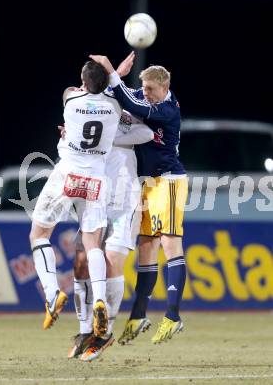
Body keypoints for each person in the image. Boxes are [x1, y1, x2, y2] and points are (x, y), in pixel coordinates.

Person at [90, 52, 188, 345]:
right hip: (144, 184)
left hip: (168, 180)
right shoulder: (145, 96)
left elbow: (130, 103)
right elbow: (115, 95)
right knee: (146, 249)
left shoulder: (168, 109)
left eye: (150, 90)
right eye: (143, 88)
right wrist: (115, 76)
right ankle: (138, 316)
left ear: (164, 86)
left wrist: (112, 71)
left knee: (170, 243)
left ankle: (173, 317)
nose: (145, 93)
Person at [29, 60, 122, 337]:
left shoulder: (70, 98)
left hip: (68, 173)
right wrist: (115, 76)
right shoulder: (115, 106)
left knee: (39, 234)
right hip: (96, 177)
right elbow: (109, 92)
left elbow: (79, 91)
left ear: (83, 80)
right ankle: (101, 299)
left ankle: (52, 293)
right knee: (93, 243)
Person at [68, 111, 154, 361]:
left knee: (112, 258)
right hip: (93, 199)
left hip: (123, 201)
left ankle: (104, 334)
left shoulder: (123, 114)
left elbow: (147, 133)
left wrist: (109, 137)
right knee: (81, 263)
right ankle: (85, 331)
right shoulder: (83, 114)